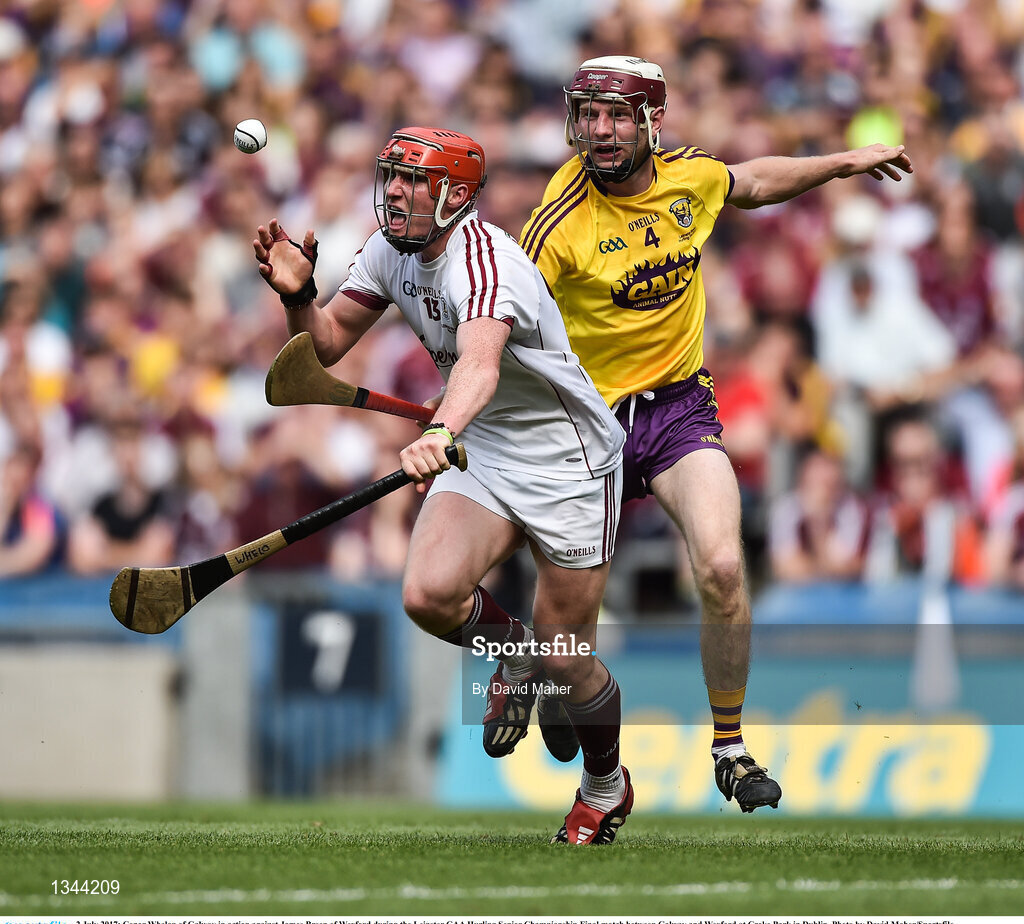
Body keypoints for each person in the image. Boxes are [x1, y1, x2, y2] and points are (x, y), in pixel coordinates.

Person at [521, 55, 914, 813]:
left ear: (650, 122)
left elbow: (752, 181)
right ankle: (558, 685)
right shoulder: (555, 221)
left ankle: (729, 750)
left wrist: (841, 163)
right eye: (589, 115)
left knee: (726, 567)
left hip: (676, 412)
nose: (599, 132)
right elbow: (500, 320)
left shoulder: (689, 177)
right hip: (585, 427)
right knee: (567, 630)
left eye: (616, 116)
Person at [253, 126, 631, 845]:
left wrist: (438, 432)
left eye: (411, 180)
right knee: (427, 595)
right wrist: (297, 299)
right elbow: (325, 345)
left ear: (454, 194)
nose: (393, 191)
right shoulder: (387, 251)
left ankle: (605, 787)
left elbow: (480, 367)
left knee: (567, 658)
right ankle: (511, 652)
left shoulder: (485, 263)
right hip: (483, 445)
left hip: (567, 460)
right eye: (390, 175)